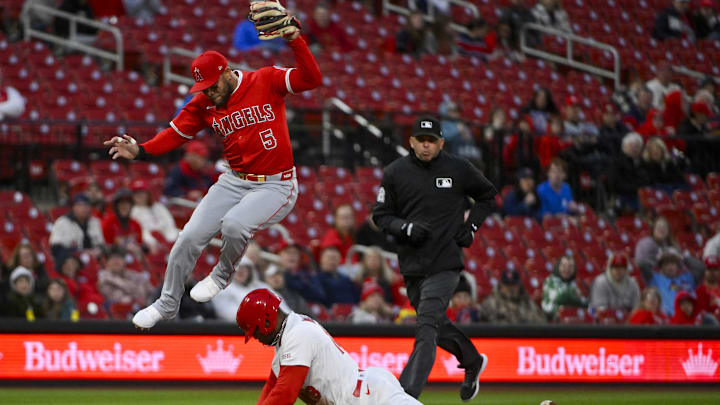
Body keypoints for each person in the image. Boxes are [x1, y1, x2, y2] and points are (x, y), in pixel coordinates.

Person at [105, 7, 322, 329]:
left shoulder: (265, 80)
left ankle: (221, 277)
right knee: (188, 238)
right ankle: (166, 304)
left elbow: (311, 79)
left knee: (234, 225)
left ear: (227, 71)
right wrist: (142, 150)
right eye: (202, 87)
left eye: (211, 84)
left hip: (276, 184)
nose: (208, 91)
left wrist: (295, 41)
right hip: (234, 180)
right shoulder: (204, 102)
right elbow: (176, 134)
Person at [372, 116, 495, 400]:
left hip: (445, 262)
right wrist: (406, 227)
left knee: (426, 325)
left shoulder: (459, 168)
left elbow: (488, 196)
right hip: (413, 264)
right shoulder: (394, 173)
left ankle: (404, 394)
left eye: (432, 141)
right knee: (435, 325)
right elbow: (380, 215)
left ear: (441, 143)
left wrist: (471, 227)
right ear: (411, 142)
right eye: (421, 141)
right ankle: (472, 359)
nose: (426, 146)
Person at [235, 288, 422, 405]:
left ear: (266, 321)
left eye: (255, 331)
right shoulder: (287, 338)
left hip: (370, 398)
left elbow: (285, 394)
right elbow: (272, 387)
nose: (256, 338)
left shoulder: (298, 334)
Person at [212, 257, 287, 322]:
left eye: (244, 268)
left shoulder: (262, 287)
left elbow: (282, 307)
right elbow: (226, 313)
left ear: (250, 271)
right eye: (237, 267)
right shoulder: (223, 288)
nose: (241, 271)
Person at [49, 193, 106, 264]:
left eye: (87, 205)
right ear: (73, 207)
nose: (84, 208)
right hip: (71, 262)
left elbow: (102, 245)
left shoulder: (94, 221)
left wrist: (97, 251)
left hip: (94, 261)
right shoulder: (62, 222)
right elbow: (56, 249)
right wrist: (81, 252)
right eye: (80, 205)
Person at [479, 268, 546, 324]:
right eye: (507, 285)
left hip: (526, 338)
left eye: (513, 284)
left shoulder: (528, 303)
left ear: (519, 285)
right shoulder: (491, 303)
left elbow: (541, 323)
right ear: (501, 285)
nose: (510, 288)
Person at [129, 179, 179, 251]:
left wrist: (170, 239)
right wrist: (152, 241)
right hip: (150, 244)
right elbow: (140, 232)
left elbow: (170, 224)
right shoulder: (132, 212)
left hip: (168, 237)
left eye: (142, 192)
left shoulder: (159, 207)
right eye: (136, 193)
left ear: (147, 193)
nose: (139, 195)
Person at [646, 247, 695, 316]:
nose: (670, 266)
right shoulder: (655, 279)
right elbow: (642, 265)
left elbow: (700, 268)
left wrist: (683, 259)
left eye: (673, 263)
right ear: (661, 266)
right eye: (666, 263)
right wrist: (657, 259)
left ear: (678, 265)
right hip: (665, 321)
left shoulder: (686, 278)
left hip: (685, 319)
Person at [609, 132, 648, 213]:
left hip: (642, 193)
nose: (634, 149)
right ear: (624, 147)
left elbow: (648, 179)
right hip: (624, 195)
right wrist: (636, 189)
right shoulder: (617, 162)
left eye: (637, 146)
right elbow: (614, 183)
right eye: (631, 146)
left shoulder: (643, 162)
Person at [541, 255, 587, 321]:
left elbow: (585, 302)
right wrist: (573, 295)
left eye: (570, 266)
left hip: (572, 320)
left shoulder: (573, 284)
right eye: (564, 266)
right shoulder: (550, 281)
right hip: (553, 321)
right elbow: (559, 298)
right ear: (558, 266)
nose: (567, 269)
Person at [101, 188, 144, 256]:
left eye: (127, 203)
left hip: (134, 261)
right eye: (121, 203)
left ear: (131, 206)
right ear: (116, 206)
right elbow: (105, 249)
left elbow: (140, 245)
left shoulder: (136, 224)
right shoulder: (107, 224)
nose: (124, 206)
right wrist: (125, 248)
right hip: (114, 259)